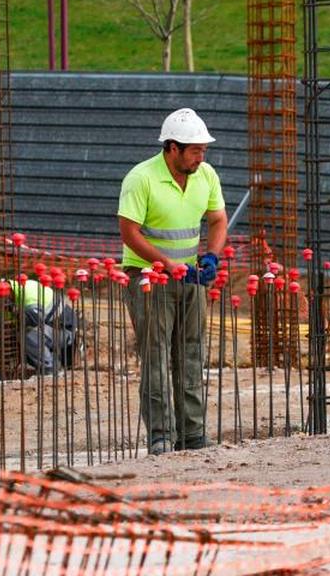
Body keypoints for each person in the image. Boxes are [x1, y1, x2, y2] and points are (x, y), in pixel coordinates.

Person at [118, 108, 228, 455]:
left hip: (190, 277)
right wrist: (164, 264)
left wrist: (211, 255)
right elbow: (129, 232)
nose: (201, 156)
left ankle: (193, 434)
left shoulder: (206, 175)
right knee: (156, 356)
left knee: (192, 353)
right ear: (173, 148)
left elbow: (219, 219)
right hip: (149, 278)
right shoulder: (141, 178)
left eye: (203, 150)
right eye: (195, 150)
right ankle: (161, 436)